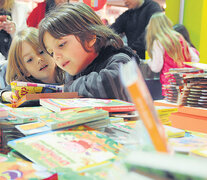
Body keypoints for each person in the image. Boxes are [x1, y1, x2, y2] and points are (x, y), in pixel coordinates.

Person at [38, 2, 140, 102]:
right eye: (51, 52)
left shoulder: (121, 59)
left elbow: (109, 85)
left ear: (90, 37)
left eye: (61, 45)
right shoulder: (74, 71)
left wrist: (65, 89)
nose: (56, 56)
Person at [0, 27, 65, 103]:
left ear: (51, 50)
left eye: (41, 52)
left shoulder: (69, 75)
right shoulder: (25, 88)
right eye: (29, 60)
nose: (39, 59)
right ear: (24, 71)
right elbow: (6, 92)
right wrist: (5, 94)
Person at [146, 12, 199, 92]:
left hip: (170, 85)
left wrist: (149, 61)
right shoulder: (179, 37)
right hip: (186, 83)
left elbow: (156, 67)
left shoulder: (158, 41)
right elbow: (195, 59)